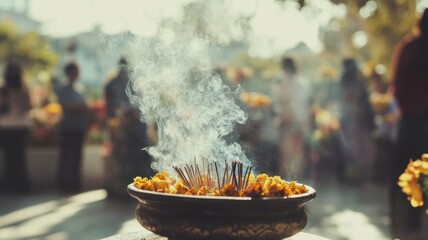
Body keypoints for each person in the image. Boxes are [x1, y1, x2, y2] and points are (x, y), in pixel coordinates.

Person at [390, 9, 428, 239]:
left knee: (408, 179)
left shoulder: (408, 48)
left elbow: (397, 87)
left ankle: (404, 228)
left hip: (411, 123)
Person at [104, 57, 154, 197]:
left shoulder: (133, 84)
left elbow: (140, 107)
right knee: (122, 158)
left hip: (136, 129)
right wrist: (122, 118)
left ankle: (139, 187)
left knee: (139, 157)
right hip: (120, 129)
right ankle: (122, 190)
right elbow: (112, 109)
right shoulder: (112, 85)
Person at [272, 56, 311, 180]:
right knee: (293, 153)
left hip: (290, 121)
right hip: (294, 120)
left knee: (288, 153)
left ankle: (289, 180)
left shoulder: (286, 83)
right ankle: (292, 179)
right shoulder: (301, 83)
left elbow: (285, 103)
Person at [338, 58, 374, 184]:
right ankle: (353, 176)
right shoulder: (346, 82)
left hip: (357, 119)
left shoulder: (356, 82)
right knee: (351, 148)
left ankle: (357, 176)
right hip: (350, 119)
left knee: (357, 148)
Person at [57, 62, 89, 193]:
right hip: (69, 127)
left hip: (79, 127)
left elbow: (83, 105)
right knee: (66, 156)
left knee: (76, 156)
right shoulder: (64, 89)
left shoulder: (80, 89)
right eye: (75, 71)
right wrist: (80, 106)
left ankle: (75, 183)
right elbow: (68, 106)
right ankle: (63, 183)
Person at [0, 61, 32, 193]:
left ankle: (20, 184)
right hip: (7, 126)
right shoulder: (3, 89)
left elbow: (29, 106)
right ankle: (11, 184)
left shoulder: (23, 89)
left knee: (19, 158)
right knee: (10, 158)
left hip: (20, 126)